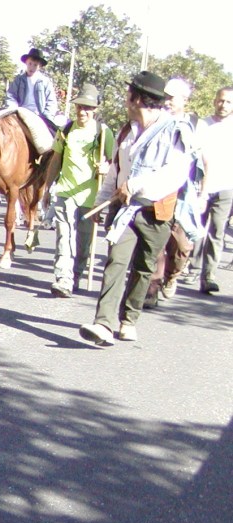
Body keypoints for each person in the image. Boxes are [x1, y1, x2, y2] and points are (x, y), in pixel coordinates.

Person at [78, 71, 191, 346]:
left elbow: (175, 173)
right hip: (125, 209)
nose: (125, 101)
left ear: (138, 99)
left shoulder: (174, 130)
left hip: (156, 211)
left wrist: (137, 184)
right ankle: (103, 323)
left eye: (128, 96)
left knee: (144, 268)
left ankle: (129, 319)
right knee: (116, 261)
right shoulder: (127, 131)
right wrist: (99, 202)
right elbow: (117, 170)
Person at [45, 83, 115, 298]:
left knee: (83, 242)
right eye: (80, 107)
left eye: (88, 108)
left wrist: (106, 167)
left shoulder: (103, 133)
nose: (83, 112)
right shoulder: (65, 130)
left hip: (90, 196)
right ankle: (63, 278)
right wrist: (48, 188)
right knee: (63, 237)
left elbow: (114, 163)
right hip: (66, 191)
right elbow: (56, 159)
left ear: (95, 110)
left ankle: (76, 274)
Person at [143, 78, 202, 307]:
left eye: (171, 97)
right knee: (155, 243)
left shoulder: (196, 125)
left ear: (184, 101)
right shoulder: (155, 121)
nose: (166, 101)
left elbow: (202, 162)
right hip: (159, 193)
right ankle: (151, 288)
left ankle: (172, 276)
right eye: (164, 97)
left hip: (184, 193)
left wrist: (203, 194)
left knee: (181, 245)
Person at [184, 86, 233, 294]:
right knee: (197, 229)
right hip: (201, 185)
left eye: (229, 102)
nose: (224, 105)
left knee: (217, 233)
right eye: (221, 100)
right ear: (214, 101)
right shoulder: (203, 125)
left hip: (226, 186)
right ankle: (192, 268)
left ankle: (209, 276)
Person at [4, 48, 61, 133]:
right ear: (26, 62)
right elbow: (11, 95)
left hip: (39, 116)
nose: (32, 67)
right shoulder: (19, 79)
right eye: (30, 64)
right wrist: (13, 109)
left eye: (35, 65)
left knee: (51, 137)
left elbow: (51, 102)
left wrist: (46, 116)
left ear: (40, 66)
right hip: (21, 113)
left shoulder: (45, 81)